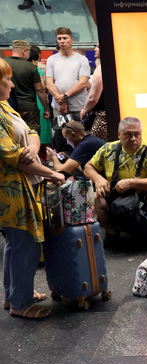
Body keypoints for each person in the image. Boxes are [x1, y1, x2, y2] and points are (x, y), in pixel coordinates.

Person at [1, 58, 65, 319]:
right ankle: (21, 303)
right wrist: (51, 173)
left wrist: (33, 147)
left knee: (14, 245)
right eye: (7, 80)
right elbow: (13, 156)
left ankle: (13, 295)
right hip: (10, 190)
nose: (13, 84)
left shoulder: (5, 107)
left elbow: (32, 132)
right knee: (25, 243)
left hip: (21, 186)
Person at [84, 117, 147, 245]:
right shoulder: (108, 149)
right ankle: (112, 234)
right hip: (115, 198)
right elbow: (88, 167)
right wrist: (98, 179)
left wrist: (131, 183)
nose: (133, 138)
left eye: (137, 134)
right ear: (119, 134)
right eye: (128, 135)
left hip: (142, 200)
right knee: (94, 197)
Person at [4, 40, 50, 134]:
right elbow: (40, 90)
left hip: (7, 107)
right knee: (31, 135)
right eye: (29, 52)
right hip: (29, 108)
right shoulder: (31, 67)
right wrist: (46, 109)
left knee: (11, 135)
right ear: (24, 51)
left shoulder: (3, 64)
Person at [45, 27, 90, 119]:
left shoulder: (82, 60)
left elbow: (83, 83)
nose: (62, 41)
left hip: (78, 106)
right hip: (59, 107)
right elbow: (49, 83)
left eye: (65, 38)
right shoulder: (51, 60)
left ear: (72, 40)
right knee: (60, 132)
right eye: (59, 38)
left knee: (80, 132)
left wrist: (64, 96)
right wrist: (61, 101)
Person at [80, 42, 107, 141]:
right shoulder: (117, 65)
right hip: (115, 115)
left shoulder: (101, 68)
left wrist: (85, 110)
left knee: (98, 150)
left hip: (101, 119)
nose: (95, 49)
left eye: (98, 47)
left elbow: (93, 98)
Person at [26, 45, 52, 145]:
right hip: (39, 101)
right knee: (43, 128)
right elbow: (41, 88)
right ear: (38, 56)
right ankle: (44, 156)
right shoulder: (37, 70)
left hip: (27, 101)